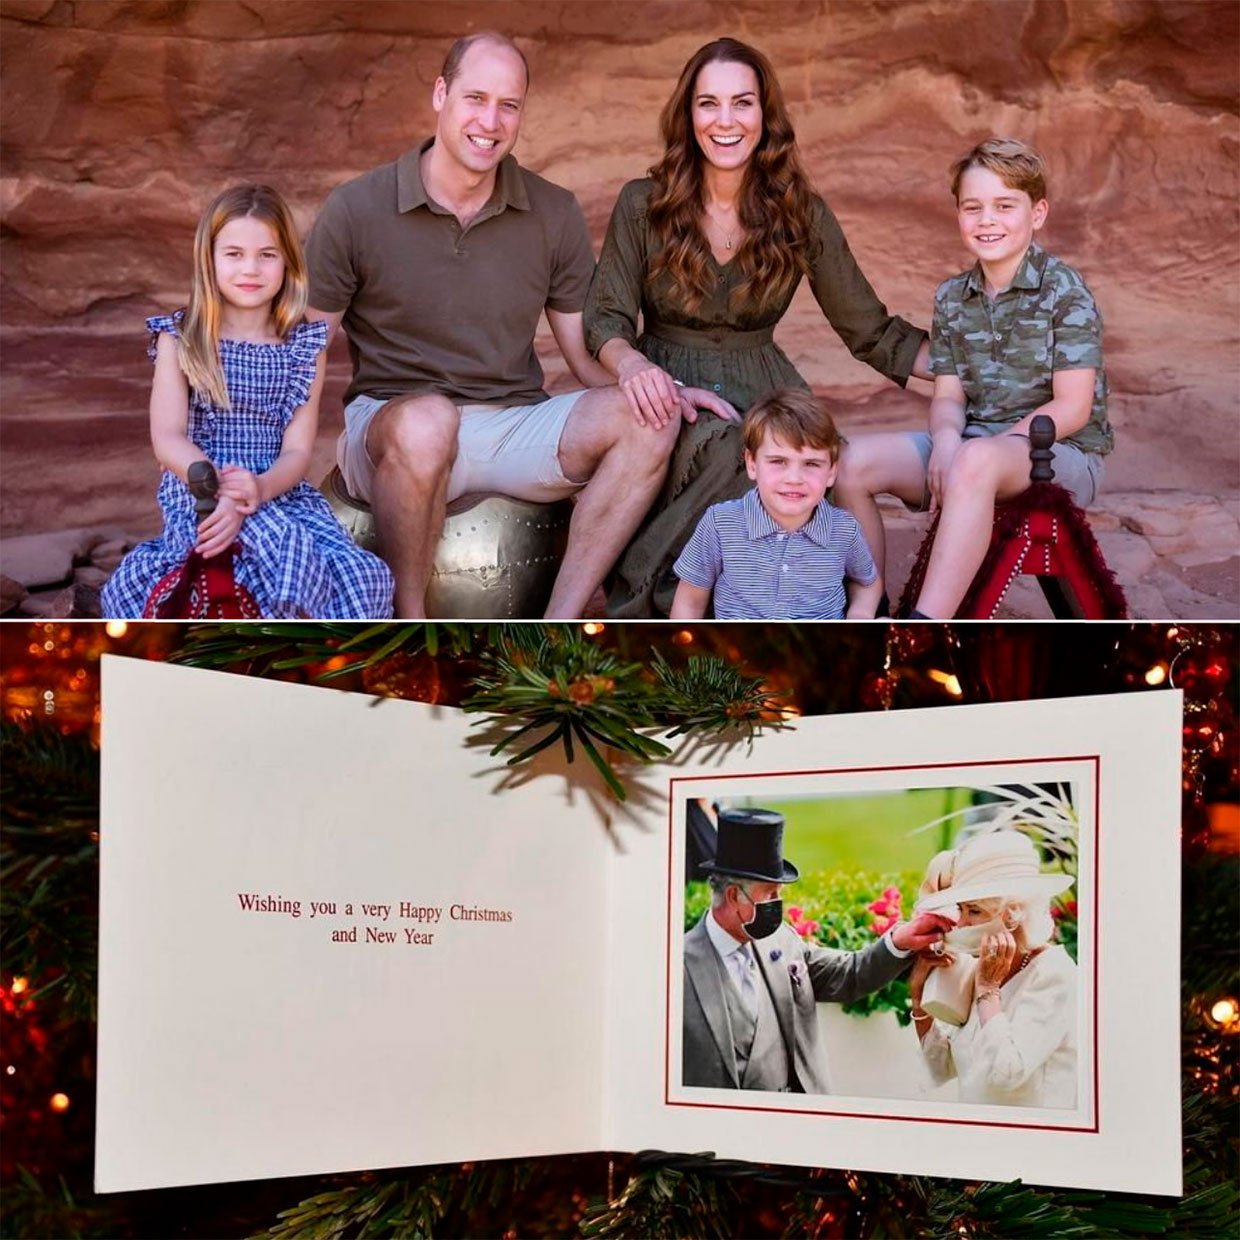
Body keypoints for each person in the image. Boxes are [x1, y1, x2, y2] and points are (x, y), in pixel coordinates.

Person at [303, 32, 731, 619]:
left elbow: (584, 355)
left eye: (509, 104)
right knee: (429, 421)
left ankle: (557, 628)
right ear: (440, 94)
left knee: (646, 419)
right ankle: (408, 628)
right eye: (475, 98)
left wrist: (655, 384)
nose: (491, 120)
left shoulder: (551, 210)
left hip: (507, 426)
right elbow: (303, 349)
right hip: (390, 427)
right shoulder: (356, 208)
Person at [584, 36, 930, 617]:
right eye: (708, 103)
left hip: (767, 384)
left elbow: (869, 329)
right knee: (731, 449)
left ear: (765, 116)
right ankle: (668, 614)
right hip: (670, 389)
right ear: (687, 113)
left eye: (742, 103)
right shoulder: (643, 203)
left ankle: (835, 622)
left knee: (805, 462)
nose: (726, 121)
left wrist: (979, 372)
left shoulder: (800, 212)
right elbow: (605, 317)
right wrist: (635, 367)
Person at [833, 137, 1114, 618]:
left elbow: (1073, 407)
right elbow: (948, 394)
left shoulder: (1065, 291)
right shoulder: (952, 297)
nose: (987, 220)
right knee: (851, 462)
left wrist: (978, 454)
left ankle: (925, 626)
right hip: (971, 445)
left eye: (1005, 206)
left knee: (977, 460)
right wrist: (945, 443)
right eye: (973, 207)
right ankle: (870, 606)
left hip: (1057, 455)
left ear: (1037, 213)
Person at [102, 185, 394, 619]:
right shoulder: (181, 339)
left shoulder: (303, 346)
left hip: (276, 489)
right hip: (199, 485)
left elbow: (297, 451)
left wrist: (258, 489)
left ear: (288, 263)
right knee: (272, 553)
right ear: (210, 259)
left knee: (361, 575)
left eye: (267, 255)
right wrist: (216, 487)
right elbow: (167, 438)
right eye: (234, 254)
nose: (251, 269)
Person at [683, 807, 951, 1093]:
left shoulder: (782, 942)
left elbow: (849, 974)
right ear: (734, 895)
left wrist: (899, 941)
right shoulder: (677, 968)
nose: (779, 903)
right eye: (770, 893)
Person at [671, 388, 881, 619]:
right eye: (778, 461)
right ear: (752, 464)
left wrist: (860, 616)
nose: (794, 478)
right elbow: (690, 600)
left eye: (811, 464)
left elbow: (867, 582)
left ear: (831, 472)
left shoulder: (844, 530)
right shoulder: (721, 524)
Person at [908, 829, 1078, 1108]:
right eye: (960, 910)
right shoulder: (982, 966)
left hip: (1033, 1143)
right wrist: (918, 999)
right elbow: (940, 1069)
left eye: (974, 911)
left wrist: (988, 992)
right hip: (977, 1139)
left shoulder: (1053, 974)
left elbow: (1007, 1073)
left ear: (1013, 914)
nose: (960, 924)